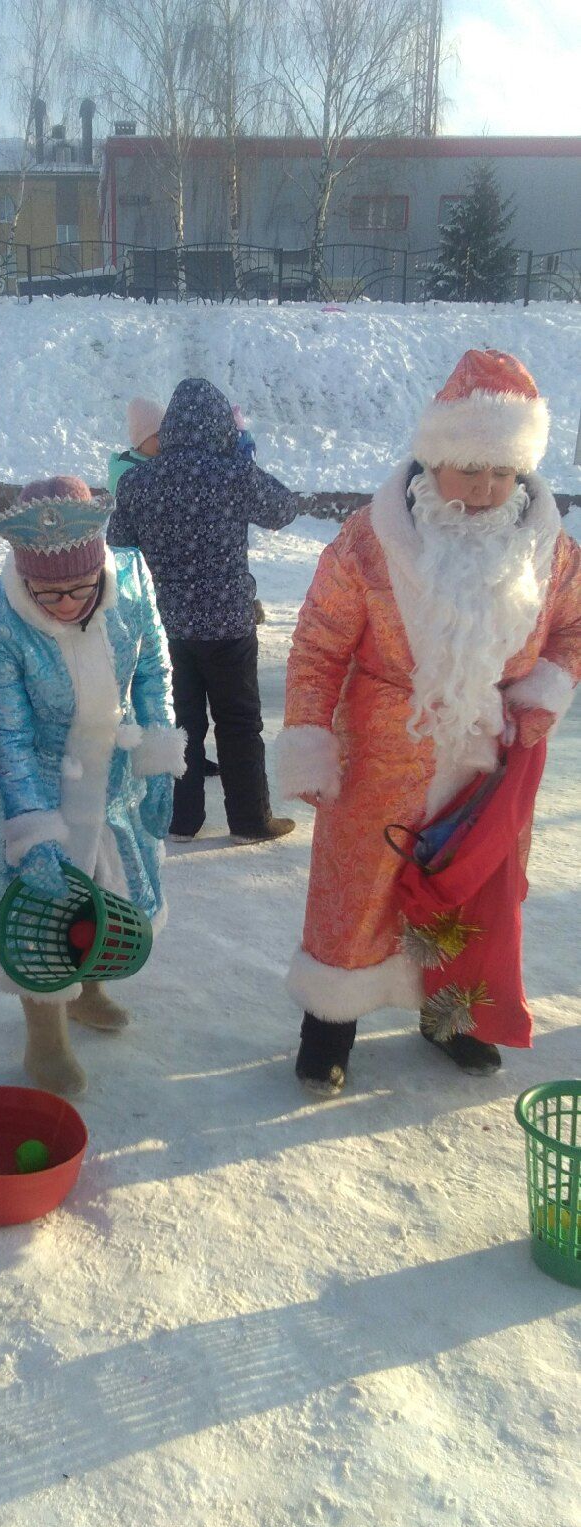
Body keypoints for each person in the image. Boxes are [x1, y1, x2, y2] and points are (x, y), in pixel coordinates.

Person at [277, 349, 581, 1096]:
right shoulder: (370, 539)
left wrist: (545, 690)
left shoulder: (551, 548)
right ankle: (331, 1026)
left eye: (502, 472)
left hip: (489, 762)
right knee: (359, 892)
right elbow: (318, 644)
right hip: (383, 751)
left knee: (471, 893)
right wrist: (311, 739)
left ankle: (450, 1017)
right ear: (432, 458)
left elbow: (571, 632)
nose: (484, 490)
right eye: (469, 467)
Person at [0, 476, 185, 1097]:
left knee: (110, 885)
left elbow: (151, 667)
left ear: (100, 570)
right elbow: (4, 736)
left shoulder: (132, 578)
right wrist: (32, 831)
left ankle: (89, 990)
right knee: (43, 909)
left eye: (79, 590)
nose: (64, 604)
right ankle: (45, 1033)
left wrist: (158, 751)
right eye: (47, 592)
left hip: (112, 770)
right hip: (38, 776)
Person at [108, 377, 297, 843]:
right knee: (239, 722)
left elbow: (118, 546)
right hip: (228, 621)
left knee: (178, 722)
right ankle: (251, 820)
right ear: (220, 426)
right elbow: (283, 510)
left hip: (165, 624)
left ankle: (182, 818)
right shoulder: (232, 474)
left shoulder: (138, 480)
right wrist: (240, 461)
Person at [107, 396, 164, 494]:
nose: (163, 440)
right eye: (157, 435)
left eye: (165, 434)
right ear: (141, 439)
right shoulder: (125, 473)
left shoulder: (159, 463)